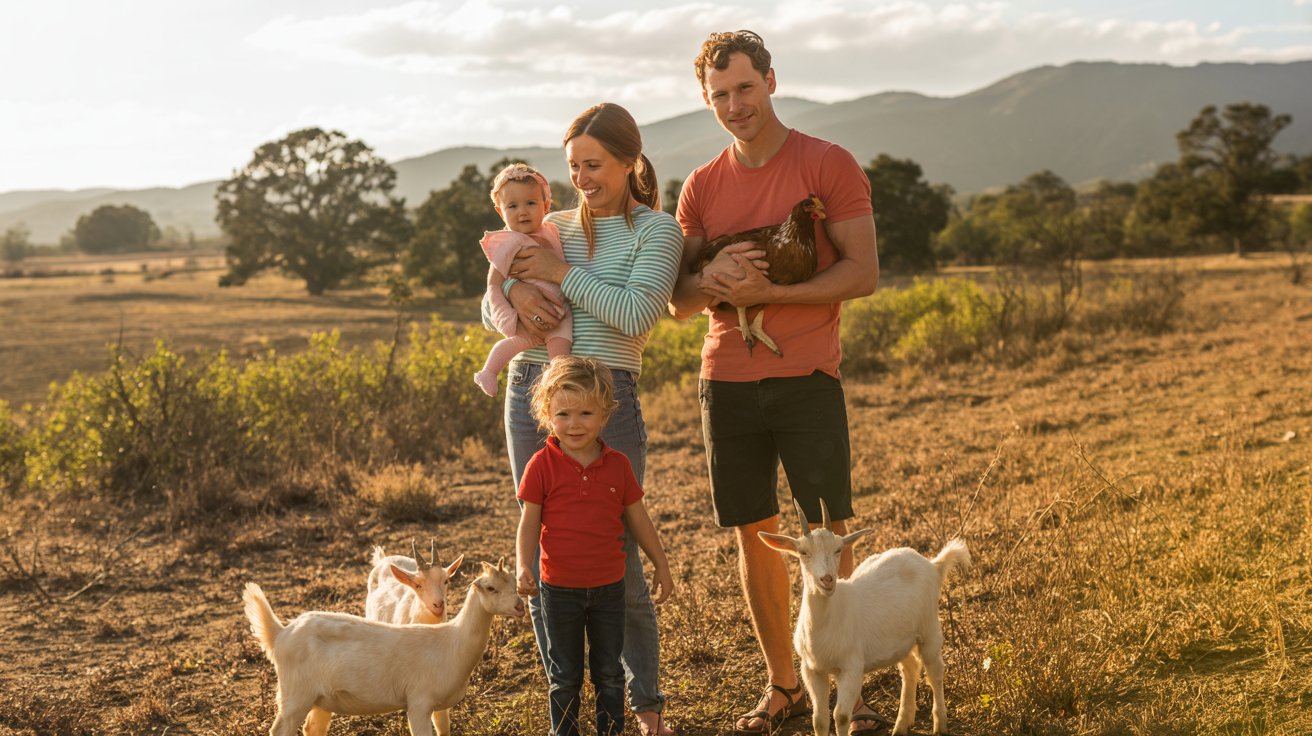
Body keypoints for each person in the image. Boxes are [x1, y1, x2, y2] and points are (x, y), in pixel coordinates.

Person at [667, 30, 880, 735]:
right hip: (726, 378)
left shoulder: (827, 163)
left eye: (745, 88)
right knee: (754, 534)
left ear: (771, 81)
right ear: (707, 99)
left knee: (830, 531)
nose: (735, 105)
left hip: (807, 374)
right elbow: (678, 302)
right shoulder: (701, 185)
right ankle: (783, 684)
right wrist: (709, 278)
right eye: (720, 95)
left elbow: (863, 273)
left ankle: (848, 683)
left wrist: (771, 293)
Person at [484, 101, 684, 736]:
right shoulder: (552, 223)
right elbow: (491, 305)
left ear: (629, 161)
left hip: (609, 394)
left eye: (593, 165)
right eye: (573, 166)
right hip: (531, 388)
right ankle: (566, 705)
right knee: (548, 551)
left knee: (619, 551)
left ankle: (645, 706)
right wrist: (516, 291)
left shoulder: (658, 231)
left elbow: (637, 313)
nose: (581, 178)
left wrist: (559, 274)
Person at [515, 355, 674, 736]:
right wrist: (523, 565)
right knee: (565, 675)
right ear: (546, 414)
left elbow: (639, 520)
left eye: (586, 413)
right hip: (559, 590)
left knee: (609, 671)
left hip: (609, 589)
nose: (574, 424)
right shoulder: (540, 465)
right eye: (563, 414)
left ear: (605, 415)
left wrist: (661, 565)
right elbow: (529, 522)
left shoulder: (618, 465)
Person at [475, 162, 572, 397]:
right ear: (500, 211)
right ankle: (488, 372)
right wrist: (506, 318)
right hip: (526, 319)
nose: (523, 212)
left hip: (558, 311)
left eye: (531, 203)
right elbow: (494, 284)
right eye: (513, 206)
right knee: (518, 342)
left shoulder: (553, 231)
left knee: (563, 341)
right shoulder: (509, 242)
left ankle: (557, 379)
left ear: (546, 205)